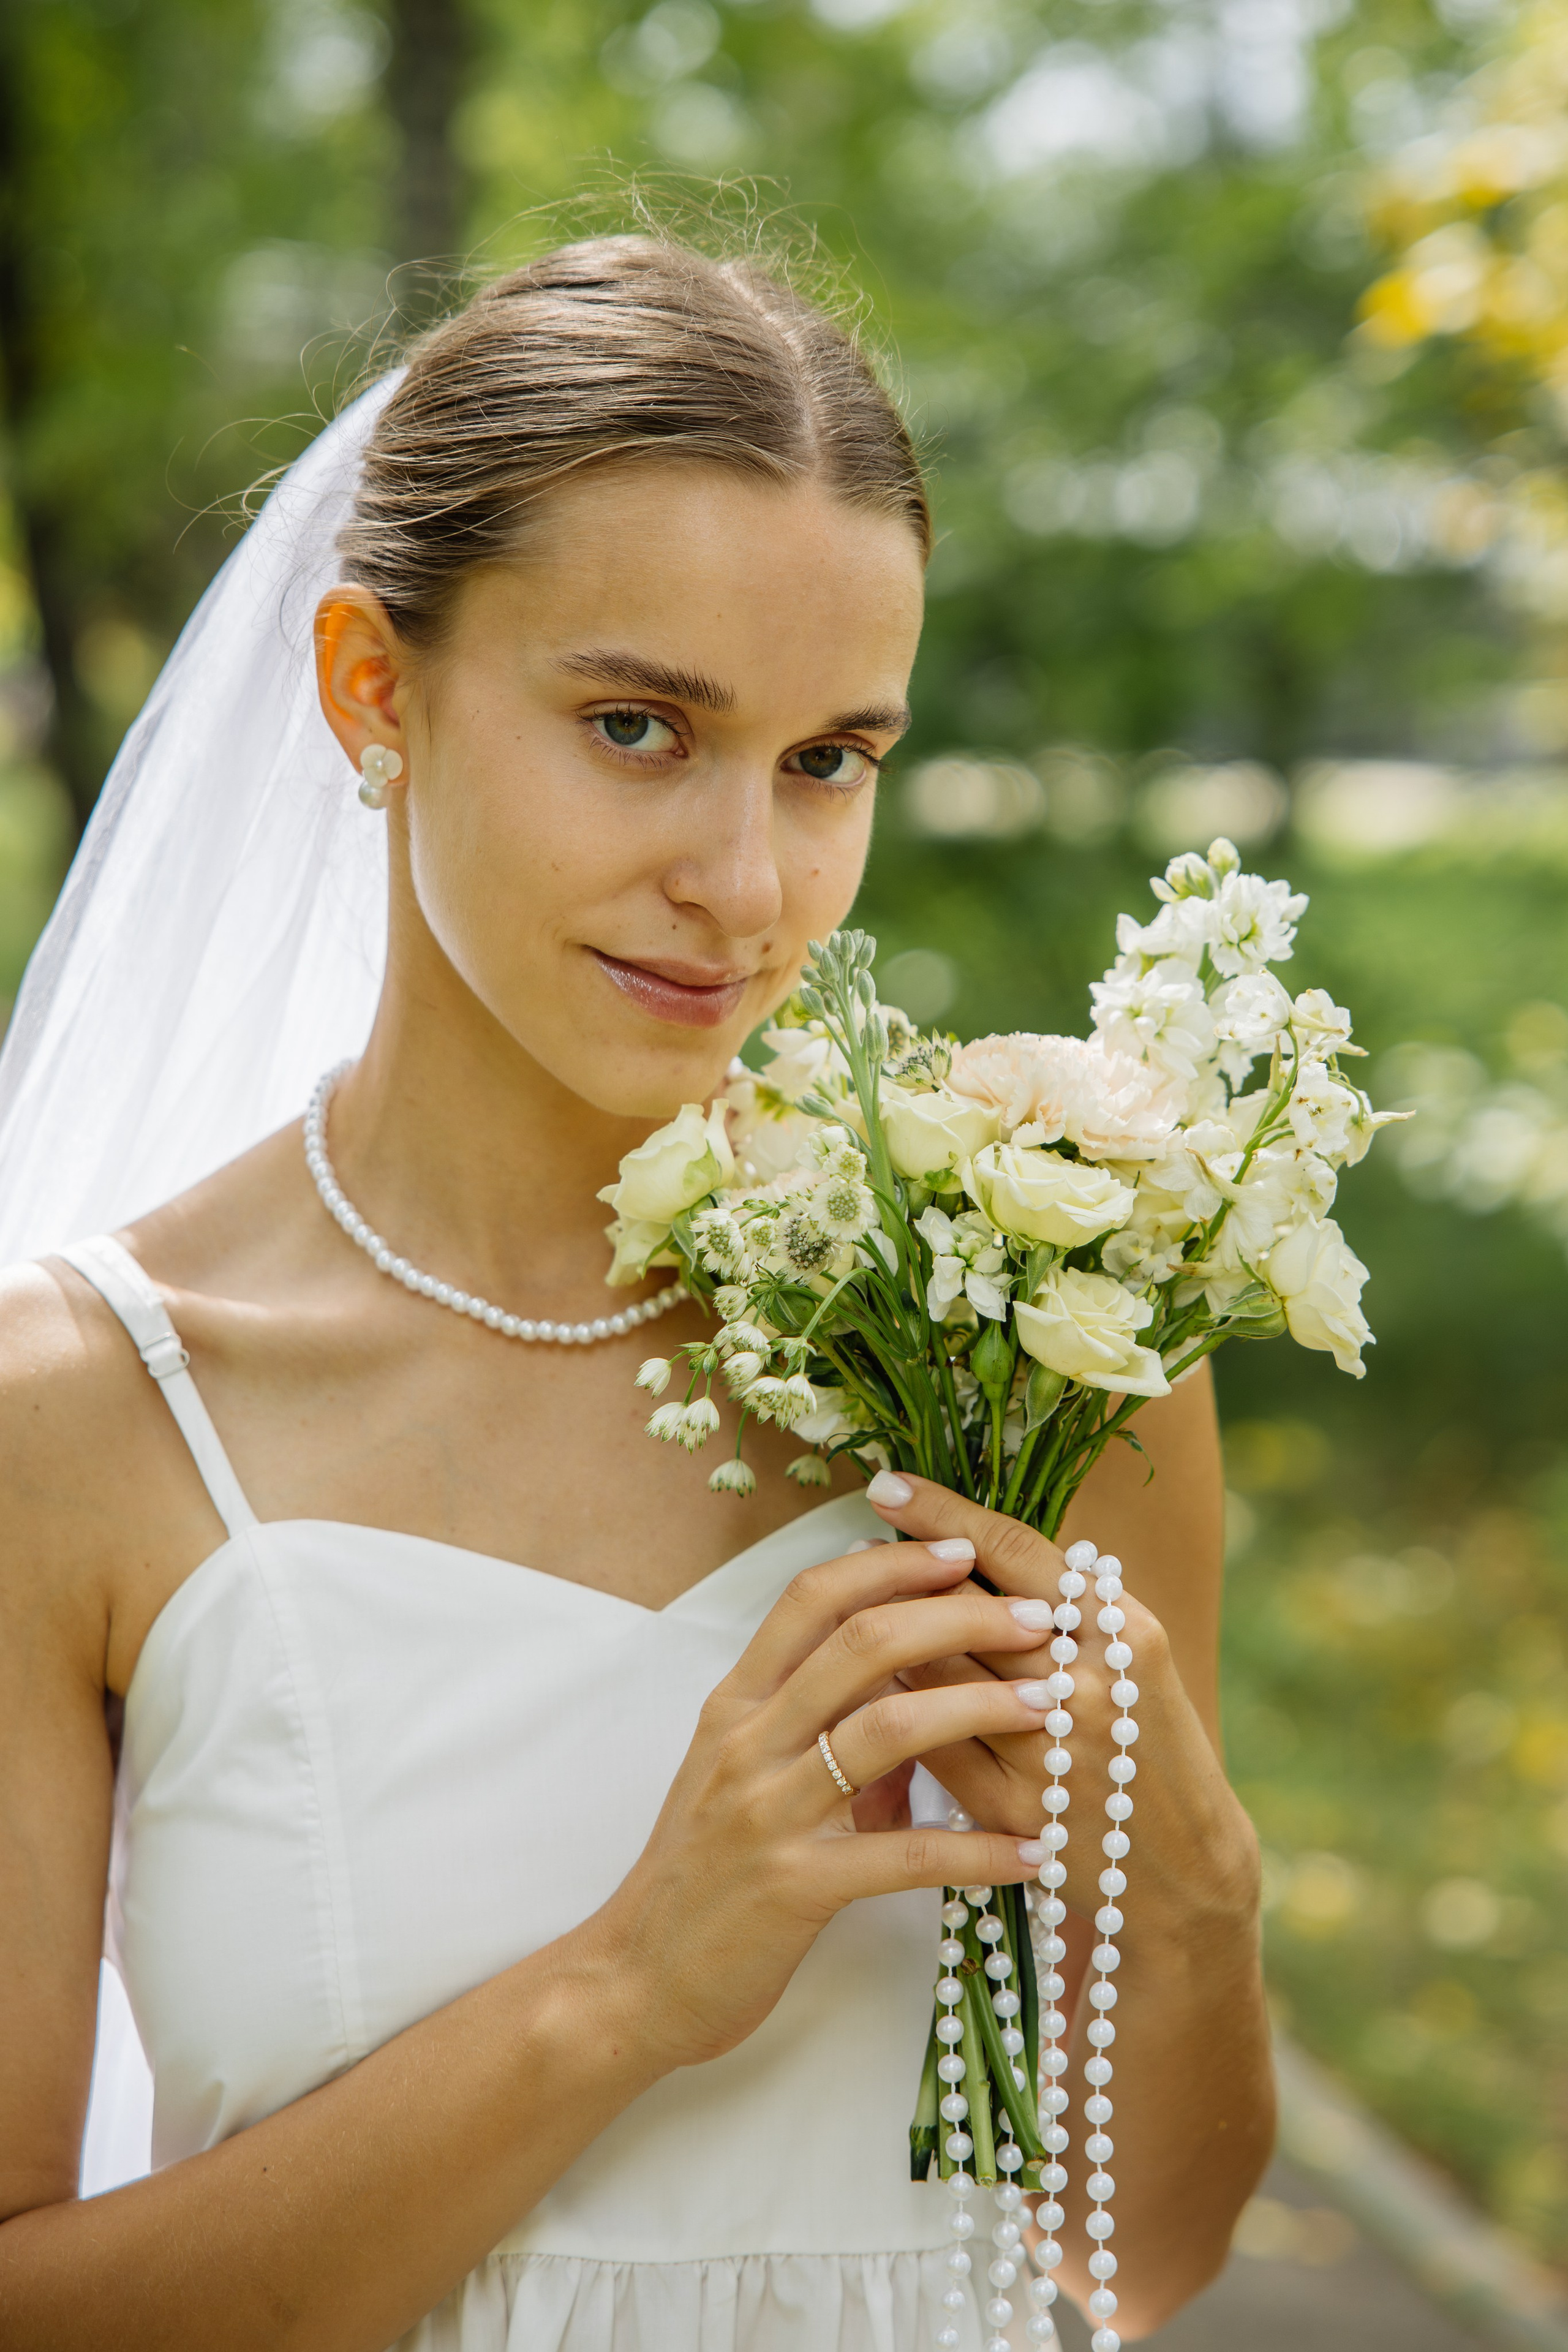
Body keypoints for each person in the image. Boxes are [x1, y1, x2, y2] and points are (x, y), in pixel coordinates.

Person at [0, 233, 1272, 2352]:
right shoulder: (84, 1416)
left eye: (829, 759)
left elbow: (1142, 2264)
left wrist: (1194, 1890)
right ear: (371, 690)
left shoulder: (1034, 1318)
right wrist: (627, 1988)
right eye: (635, 726)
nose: (747, 888)